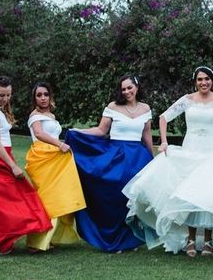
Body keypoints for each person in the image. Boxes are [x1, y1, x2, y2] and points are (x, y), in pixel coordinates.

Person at [122, 66, 213, 257]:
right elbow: (164, 117)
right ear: (195, 81)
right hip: (191, 149)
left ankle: (208, 241)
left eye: (206, 79)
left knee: (208, 195)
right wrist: (164, 141)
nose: (203, 82)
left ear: (212, 80)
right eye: (199, 79)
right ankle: (190, 239)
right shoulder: (187, 100)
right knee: (189, 194)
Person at [65, 75, 154, 252]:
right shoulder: (113, 107)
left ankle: (131, 239)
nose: (127, 92)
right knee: (115, 197)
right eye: (123, 89)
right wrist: (79, 132)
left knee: (132, 199)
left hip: (138, 157)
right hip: (117, 155)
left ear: (136, 87)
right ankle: (112, 238)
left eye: (130, 88)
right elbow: (101, 130)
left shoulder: (146, 108)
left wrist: (152, 159)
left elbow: (147, 135)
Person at [0, 76, 51, 255]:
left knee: (6, 201)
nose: (6, 99)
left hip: (0, 157)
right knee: (1, 202)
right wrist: (13, 166)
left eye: (8, 95)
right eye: (2, 95)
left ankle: (3, 241)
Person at [24, 82, 86, 252]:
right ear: (34, 98)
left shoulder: (51, 115)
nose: (43, 98)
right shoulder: (34, 115)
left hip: (56, 158)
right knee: (47, 198)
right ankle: (36, 241)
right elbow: (39, 133)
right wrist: (59, 144)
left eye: (45, 94)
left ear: (50, 96)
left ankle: (49, 238)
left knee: (59, 197)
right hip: (43, 157)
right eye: (39, 95)